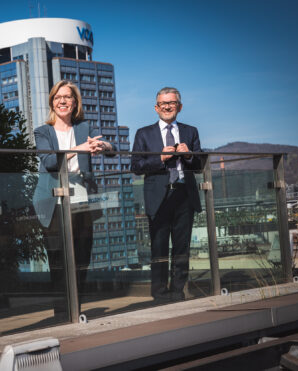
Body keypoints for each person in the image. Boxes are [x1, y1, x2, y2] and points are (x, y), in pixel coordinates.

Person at [33, 80, 114, 319]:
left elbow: (111, 150)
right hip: (54, 203)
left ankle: (77, 310)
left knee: (81, 259)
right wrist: (81, 149)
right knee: (59, 263)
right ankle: (61, 314)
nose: (62, 101)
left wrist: (102, 145)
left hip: (82, 201)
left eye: (67, 97)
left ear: (75, 102)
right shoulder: (43, 131)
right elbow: (49, 162)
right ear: (52, 102)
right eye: (58, 97)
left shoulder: (83, 127)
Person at [131, 87, 202, 301]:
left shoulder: (191, 131)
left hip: (184, 195)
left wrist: (188, 155)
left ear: (179, 107)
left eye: (172, 103)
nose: (167, 107)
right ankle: (160, 294)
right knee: (159, 249)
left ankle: (178, 292)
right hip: (158, 198)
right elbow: (136, 165)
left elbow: (199, 165)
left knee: (182, 248)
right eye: (163, 104)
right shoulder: (144, 134)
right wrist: (160, 158)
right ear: (156, 108)